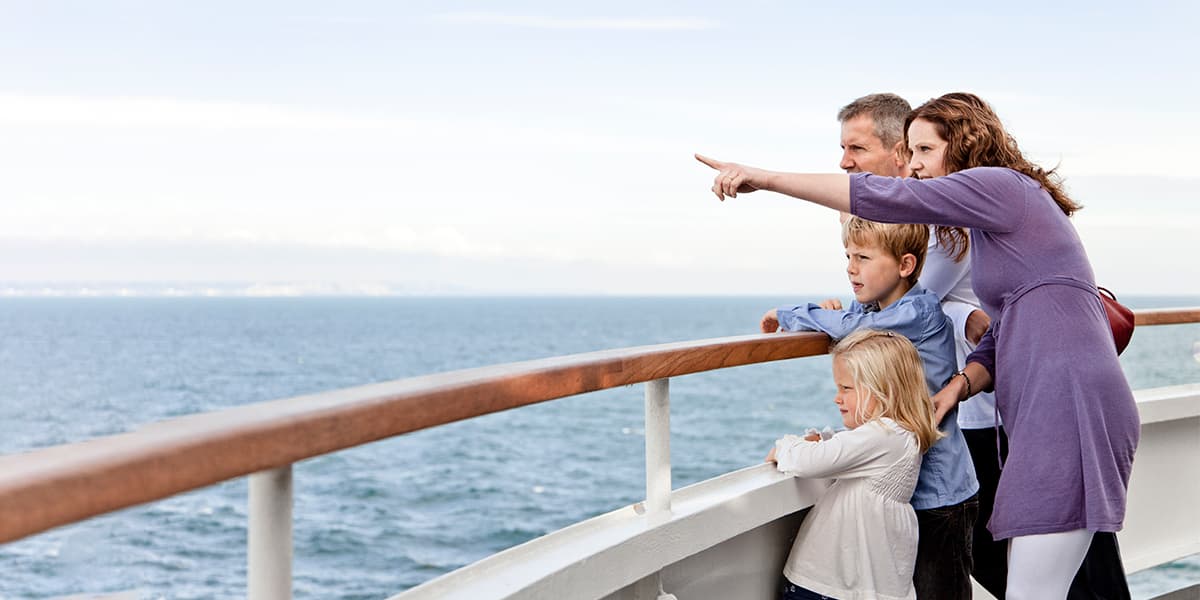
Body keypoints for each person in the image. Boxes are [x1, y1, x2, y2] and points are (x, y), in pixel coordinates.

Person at [698, 92, 1139, 600]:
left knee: (1032, 592)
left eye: (925, 151)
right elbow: (1009, 327)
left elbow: (890, 200)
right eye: (909, 152)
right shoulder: (996, 216)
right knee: (1036, 588)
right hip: (1051, 400)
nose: (913, 166)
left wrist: (765, 178)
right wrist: (959, 385)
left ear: (965, 144)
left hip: (1068, 401)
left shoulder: (1000, 185)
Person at [828, 92, 1010, 596]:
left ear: (898, 153)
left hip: (978, 410)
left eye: (857, 150)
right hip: (955, 407)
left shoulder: (942, 222)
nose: (845, 163)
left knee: (985, 559)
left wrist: (843, 314)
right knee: (982, 560)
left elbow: (910, 304)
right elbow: (905, 302)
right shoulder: (915, 222)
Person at [762, 216, 980, 599]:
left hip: (940, 490)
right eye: (848, 255)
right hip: (899, 479)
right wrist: (834, 313)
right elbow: (851, 323)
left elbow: (850, 331)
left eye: (863, 256)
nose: (850, 267)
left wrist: (786, 314)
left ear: (905, 266)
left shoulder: (918, 313)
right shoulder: (874, 312)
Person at [767, 328, 944, 600]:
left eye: (846, 388)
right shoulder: (899, 433)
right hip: (863, 584)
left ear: (885, 390)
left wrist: (786, 445)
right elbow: (851, 445)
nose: (837, 397)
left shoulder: (884, 435)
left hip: (828, 584)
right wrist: (825, 437)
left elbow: (810, 461)